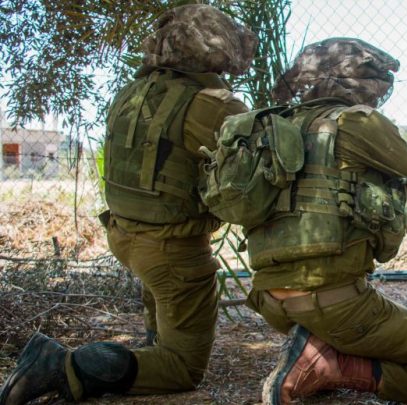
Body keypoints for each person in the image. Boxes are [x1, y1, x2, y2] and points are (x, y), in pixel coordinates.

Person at [0, 5, 256, 404]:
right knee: (182, 368)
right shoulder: (211, 104)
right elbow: (259, 176)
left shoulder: (132, 93)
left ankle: (151, 344)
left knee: (162, 297)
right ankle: (63, 365)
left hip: (125, 235)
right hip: (172, 251)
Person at [241, 37, 407, 404]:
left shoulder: (272, 126)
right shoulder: (357, 122)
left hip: (270, 301)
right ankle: (334, 366)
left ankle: (317, 347)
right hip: (335, 304)